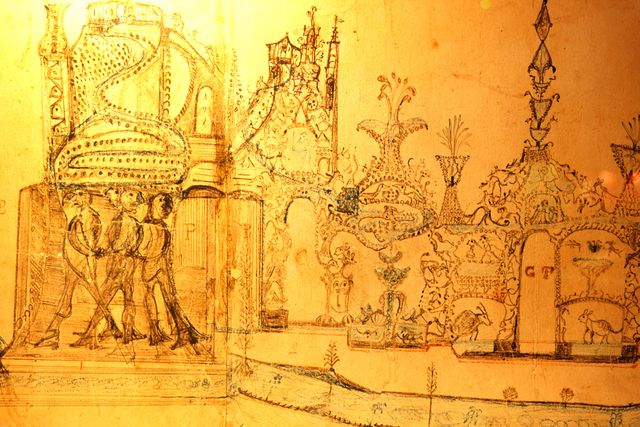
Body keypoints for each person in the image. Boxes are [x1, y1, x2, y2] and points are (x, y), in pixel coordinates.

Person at [36, 190, 120, 348]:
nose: (77, 198)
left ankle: (53, 333)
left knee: (90, 296)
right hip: (74, 261)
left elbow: (86, 241)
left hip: (82, 264)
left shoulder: (90, 217)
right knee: (72, 296)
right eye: (77, 195)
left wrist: (90, 253)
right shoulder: (78, 215)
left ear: (88, 198)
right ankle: (111, 326)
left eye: (81, 195)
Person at [72, 189, 145, 346]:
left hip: (118, 265)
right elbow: (136, 244)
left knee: (104, 300)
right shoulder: (135, 223)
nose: (135, 203)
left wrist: (99, 251)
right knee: (128, 299)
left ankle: (91, 333)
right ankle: (127, 334)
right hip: (128, 263)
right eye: (132, 199)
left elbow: (108, 243)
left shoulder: (119, 221)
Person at [138, 193, 203, 350]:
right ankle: (156, 331)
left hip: (160, 265)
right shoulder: (147, 225)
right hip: (152, 265)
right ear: (152, 203)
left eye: (165, 201)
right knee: (151, 295)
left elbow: (158, 248)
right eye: (160, 200)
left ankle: (183, 331)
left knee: (170, 299)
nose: (163, 204)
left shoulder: (161, 225)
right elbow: (143, 248)